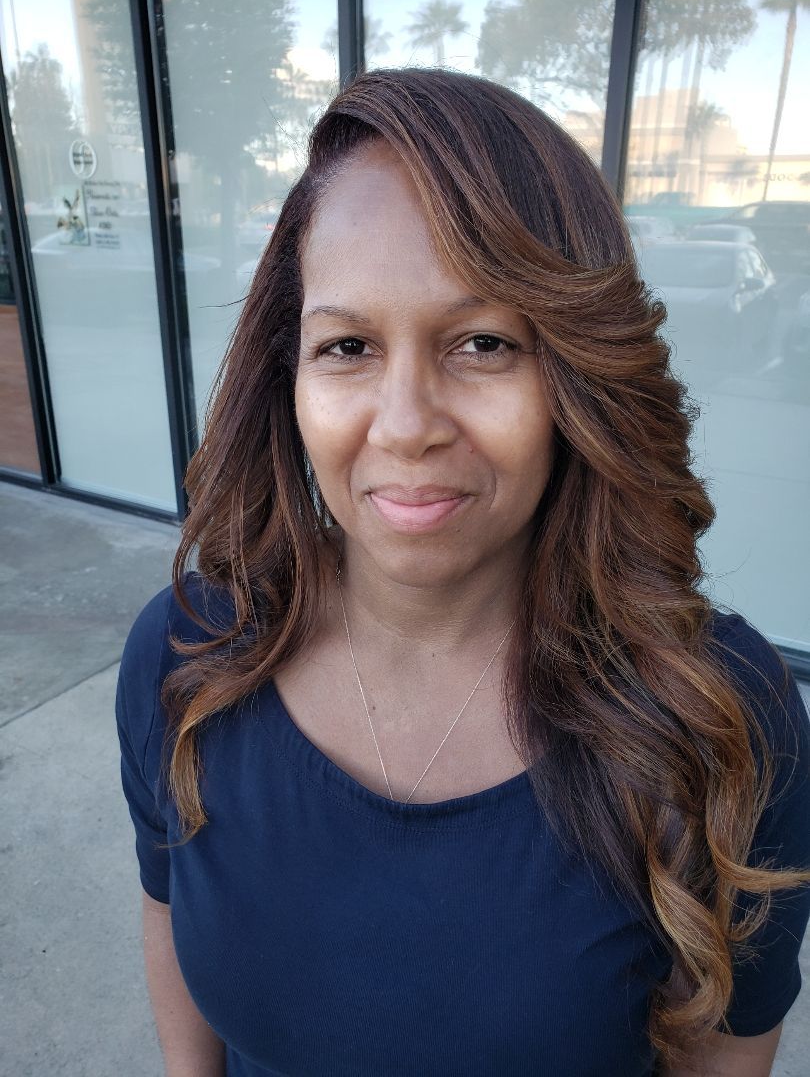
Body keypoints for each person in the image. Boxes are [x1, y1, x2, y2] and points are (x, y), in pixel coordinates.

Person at [116, 68, 810, 1077]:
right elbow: (168, 926)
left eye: (483, 344)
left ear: (575, 370)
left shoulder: (718, 718)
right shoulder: (188, 653)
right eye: (346, 345)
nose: (404, 425)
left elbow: (721, 1056)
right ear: (290, 378)